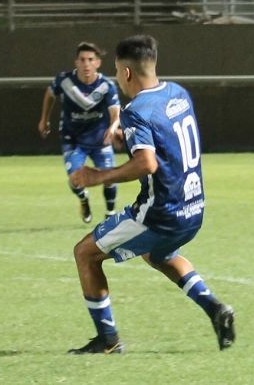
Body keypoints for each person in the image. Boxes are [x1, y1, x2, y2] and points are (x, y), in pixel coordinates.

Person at [67, 34, 235, 354]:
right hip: (194, 207)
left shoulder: (135, 110)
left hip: (161, 212)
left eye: (117, 71)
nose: (117, 78)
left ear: (127, 73)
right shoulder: (178, 93)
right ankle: (215, 309)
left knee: (85, 253)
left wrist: (97, 176)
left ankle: (108, 340)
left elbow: (146, 162)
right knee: (157, 255)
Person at [38, 42, 120, 224]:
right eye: (82, 60)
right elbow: (50, 94)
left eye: (90, 60)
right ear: (76, 62)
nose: (86, 64)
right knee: (75, 180)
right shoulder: (64, 80)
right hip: (73, 139)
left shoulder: (106, 85)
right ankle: (83, 199)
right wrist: (45, 119)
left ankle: (110, 212)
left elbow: (115, 112)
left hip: (100, 139)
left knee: (110, 177)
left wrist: (113, 127)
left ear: (97, 63)